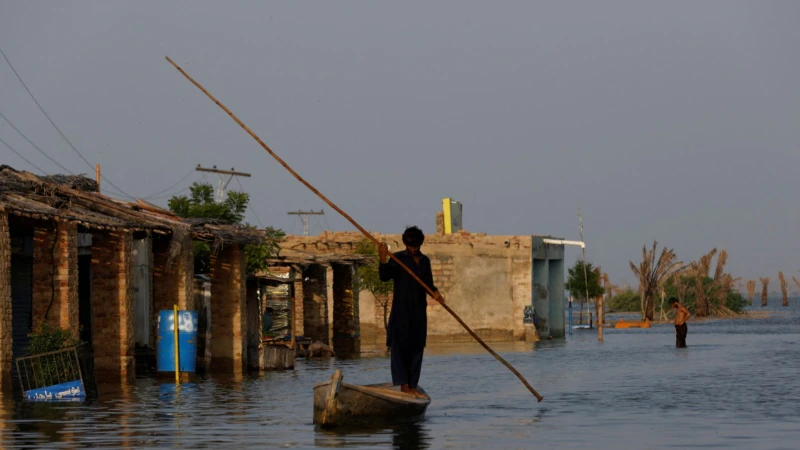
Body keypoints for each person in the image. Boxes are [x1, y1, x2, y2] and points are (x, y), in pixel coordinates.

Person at [378, 226, 444, 399]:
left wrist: (436, 294)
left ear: (420, 244)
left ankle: (413, 385)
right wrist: (383, 257)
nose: (412, 248)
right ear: (406, 244)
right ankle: (404, 386)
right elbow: (384, 277)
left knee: (416, 347)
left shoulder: (424, 261)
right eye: (410, 245)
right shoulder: (398, 259)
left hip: (418, 311)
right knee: (399, 348)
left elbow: (429, 284)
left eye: (415, 245)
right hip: (401, 311)